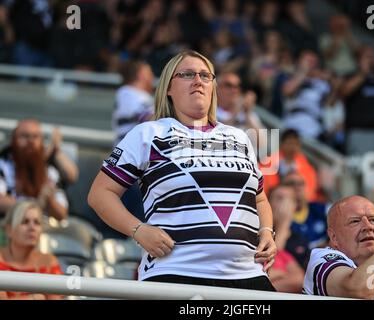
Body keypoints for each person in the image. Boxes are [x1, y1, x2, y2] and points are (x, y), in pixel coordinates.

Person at [88, 50, 277, 291]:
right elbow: (100, 193)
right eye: (187, 74)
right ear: (168, 88)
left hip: (248, 274)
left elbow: (259, 197)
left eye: (205, 76)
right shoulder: (149, 133)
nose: (198, 80)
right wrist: (139, 230)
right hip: (176, 273)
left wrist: (267, 232)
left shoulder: (239, 137)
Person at [0, 119, 73, 220]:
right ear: (14, 140)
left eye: (35, 137)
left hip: (45, 230)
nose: (30, 141)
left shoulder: (50, 171)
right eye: (25, 136)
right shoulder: (3, 164)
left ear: (42, 141)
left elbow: (62, 214)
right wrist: (38, 204)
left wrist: (50, 200)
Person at [0, 200, 63, 300]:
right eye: (25, 222)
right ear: (9, 230)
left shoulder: (48, 262)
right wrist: (35, 297)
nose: (32, 227)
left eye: (37, 223)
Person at [112, 59, 155, 146]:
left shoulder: (142, 95)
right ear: (141, 74)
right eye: (149, 73)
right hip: (129, 151)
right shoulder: (126, 92)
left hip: (138, 149)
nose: (152, 77)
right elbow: (145, 116)